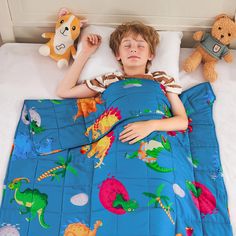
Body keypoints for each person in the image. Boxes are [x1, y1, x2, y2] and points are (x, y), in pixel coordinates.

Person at [56, 22, 188, 144]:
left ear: (150, 55)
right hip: (118, 139)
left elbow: (182, 121)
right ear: (118, 54)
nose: (133, 49)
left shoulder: (161, 79)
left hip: (156, 138)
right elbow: (64, 91)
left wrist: (150, 125)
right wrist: (85, 52)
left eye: (141, 45)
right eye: (127, 45)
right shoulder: (109, 80)